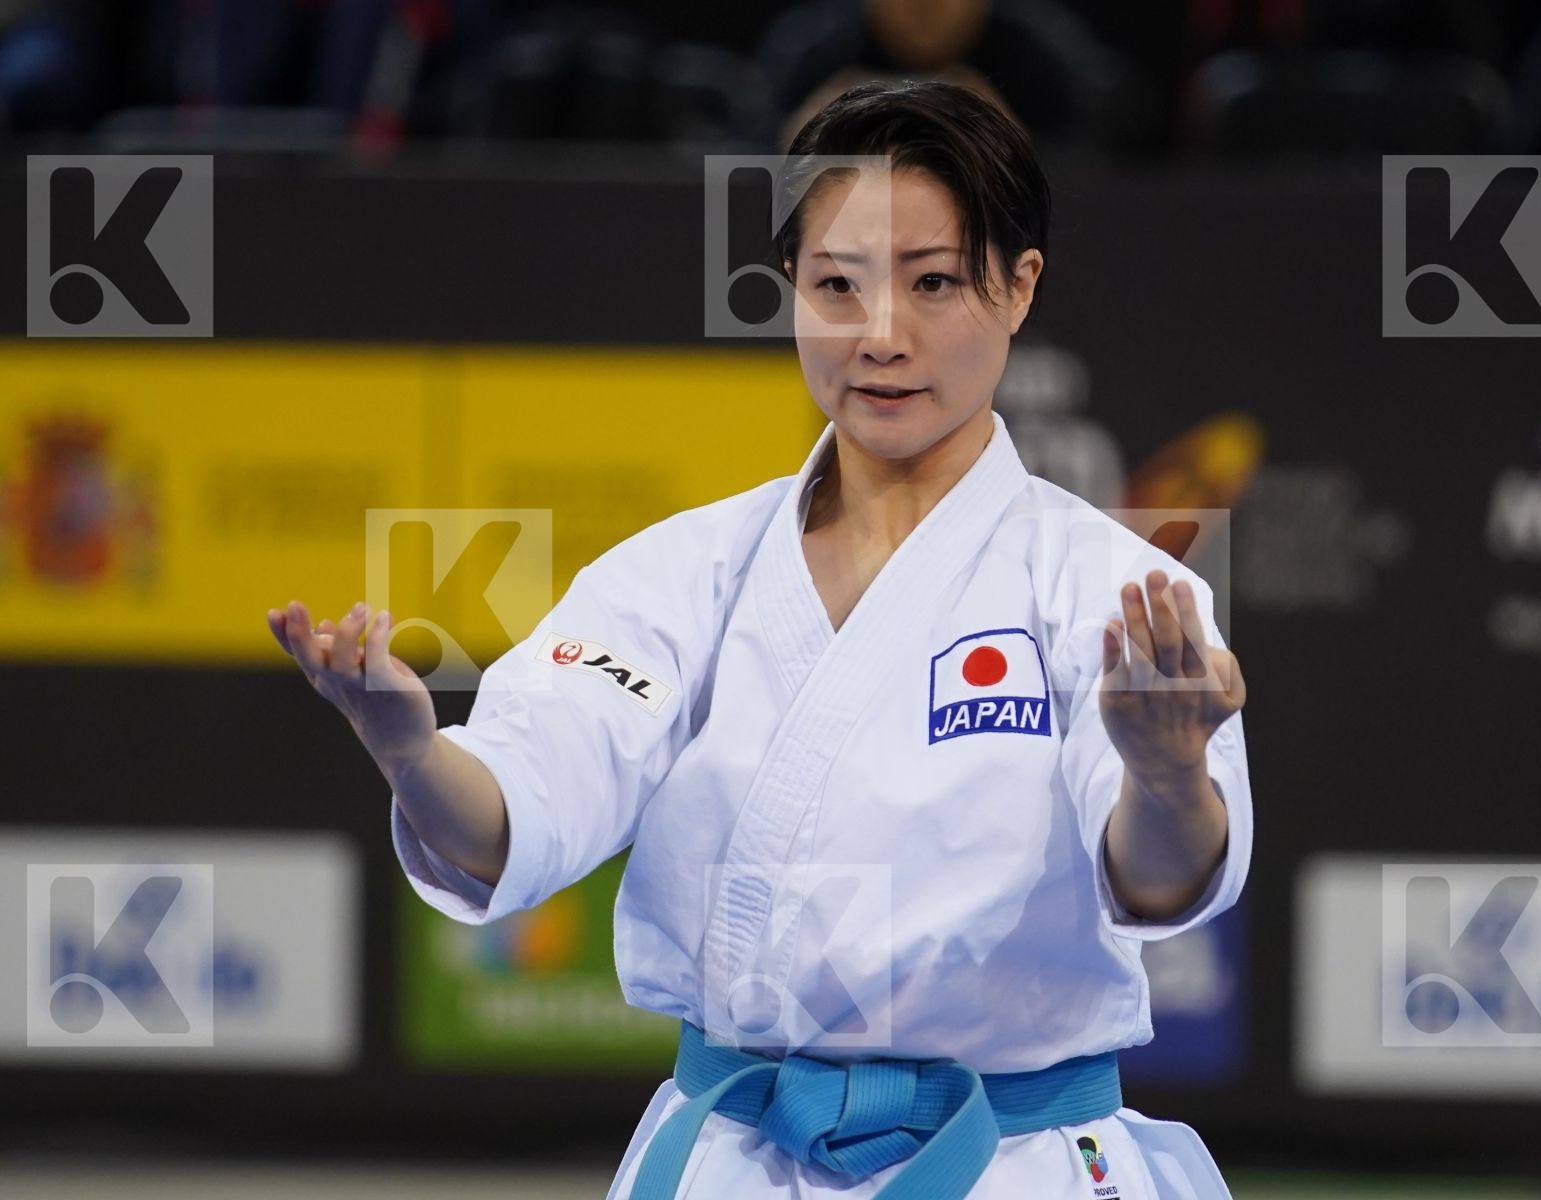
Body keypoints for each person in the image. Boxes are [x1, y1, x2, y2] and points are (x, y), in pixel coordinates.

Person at [267, 80, 1252, 1200]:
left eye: (933, 283)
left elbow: (1164, 882)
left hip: (1009, 1164)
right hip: (735, 1158)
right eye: (836, 284)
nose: (881, 335)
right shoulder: (681, 572)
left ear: (1018, 287)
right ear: (788, 287)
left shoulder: (1110, 586)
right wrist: (414, 757)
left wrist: (1167, 775)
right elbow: (521, 807)